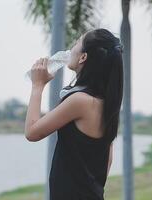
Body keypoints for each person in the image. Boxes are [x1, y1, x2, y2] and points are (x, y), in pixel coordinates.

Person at [24, 28, 124, 200]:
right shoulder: (104, 104)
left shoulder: (81, 101)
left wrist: (37, 86)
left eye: (77, 41)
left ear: (83, 57)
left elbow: (32, 132)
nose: (72, 46)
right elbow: (108, 158)